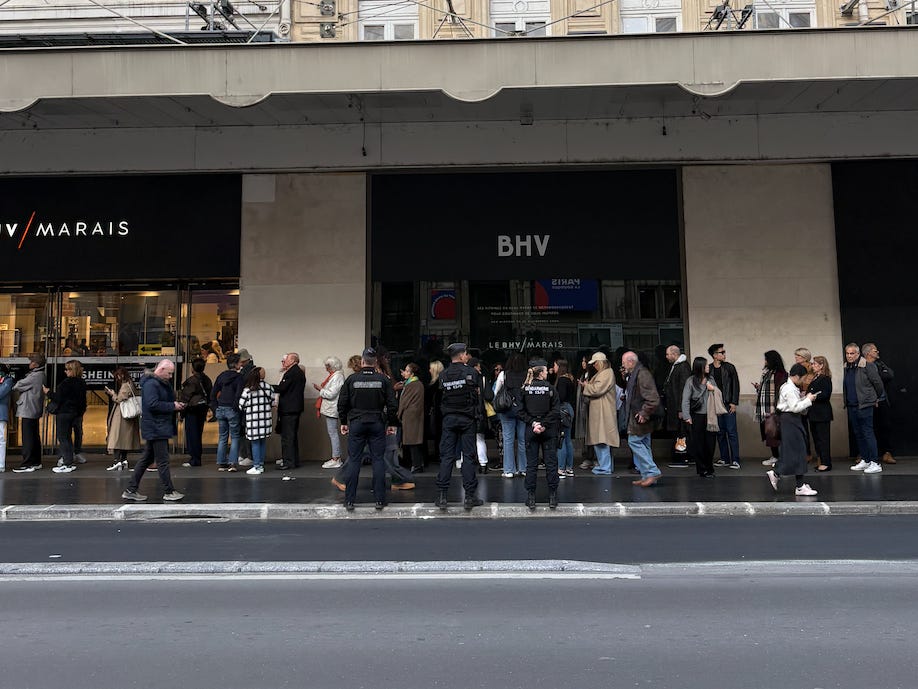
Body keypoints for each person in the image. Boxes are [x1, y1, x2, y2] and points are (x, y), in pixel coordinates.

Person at [337, 347, 398, 511]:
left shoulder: (352, 379)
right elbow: (392, 404)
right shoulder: (383, 380)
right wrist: (392, 423)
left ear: (363, 361)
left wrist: (343, 421)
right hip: (377, 423)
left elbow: (342, 403)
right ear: (375, 362)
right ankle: (379, 500)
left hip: (357, 423)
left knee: (354, 460)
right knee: (378, 460)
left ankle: (349, 500)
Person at [122, 359, 186, 501]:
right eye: (169, 373)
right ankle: (169, 491)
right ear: (161, 369)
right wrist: (172, 406)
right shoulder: (152, 384)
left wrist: (174, 405)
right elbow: (152, 404)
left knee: (147, 458)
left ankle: (131, 489)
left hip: (156, 426)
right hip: (157, 426)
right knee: (162, 460)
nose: (170, 376)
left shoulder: (155, 383)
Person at [434, 343, 485, 511]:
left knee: (447, 457)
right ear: (462, 355)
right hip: (467, 419)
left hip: (449, 419)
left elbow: (440, 399)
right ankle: (469, 497)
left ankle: (442, 496)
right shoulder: (472, 373)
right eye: (466, 354)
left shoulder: (443, 374)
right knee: (468, 457)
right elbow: (478, 398)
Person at [766, 363, 819, 496]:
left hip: (790, 420)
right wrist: (808, 399)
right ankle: (795, 483)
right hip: (790, 421)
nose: (803, 381)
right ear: (796, 376)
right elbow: (795, 407)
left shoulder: (789, 387)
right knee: (798, 451)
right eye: (803, 378)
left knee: (793, 452)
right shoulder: (789, 388)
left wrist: (804, 399)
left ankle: (785, 477)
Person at [518, 359, 561, 509]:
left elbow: (520, 411)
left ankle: (531, 497)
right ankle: (553, 497)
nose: (548, 372)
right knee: (551, 464)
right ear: (541, 372)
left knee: (531, 465)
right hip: (548, 430)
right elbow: (556, 410)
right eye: (546, 370)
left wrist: (533, 423)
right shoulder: (550, 388)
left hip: (531, 430)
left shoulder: (525, 388)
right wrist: (543, 424)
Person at [622, 351, 663, 487]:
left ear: (631, 362)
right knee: (644, 444)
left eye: (623, 362)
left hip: (640, 415)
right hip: (641, 415)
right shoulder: (637, 373)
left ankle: (652, 471)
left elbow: (653, 398)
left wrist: (644, 413)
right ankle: (647, 475)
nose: (622, 365)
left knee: (634, 441)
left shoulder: (642, 374)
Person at [844, 343, 885, 474]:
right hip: (852, 405)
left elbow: (878, 384)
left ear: (858, 354)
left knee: (867, 433)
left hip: (865, 405)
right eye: (847, 353)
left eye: (852, 353)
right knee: (858, 433)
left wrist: (874, 398)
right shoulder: (847, 367)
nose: (849, 356)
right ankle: (866, 459)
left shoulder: (867, 365)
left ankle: (875, 462)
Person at [579, 351, 620, 475]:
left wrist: (586, 386)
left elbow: (597, 389)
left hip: (603, 412)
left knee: (602, 440)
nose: (594, 365)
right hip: (600, 412)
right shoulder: (603, 373)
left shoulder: (607, 373)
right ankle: (605, 466)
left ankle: (605, 467)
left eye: (595, 363)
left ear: (601, 362)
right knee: (601, 440)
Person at [682, 357, 720, 479]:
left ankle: (709, 468)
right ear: (700, 367)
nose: (708, 367)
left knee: (710, 443)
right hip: (697, 415)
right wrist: (687, 416)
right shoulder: (691, 381)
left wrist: (713, 389)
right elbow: (686, 399)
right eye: (706, 365)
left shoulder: (711, 379)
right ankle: (702, 469)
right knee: (698, 443)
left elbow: (718, 394)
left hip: (710, 415)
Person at [47, 360, 88, 474]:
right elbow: (83, 401)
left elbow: (58, 398)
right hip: (74, 413)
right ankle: (69, 461)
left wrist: (48, 392)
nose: (65, 372)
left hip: (64, 413)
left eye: (67, 369)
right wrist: (80, 413)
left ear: (71, 370)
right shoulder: (81, 383)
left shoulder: (66, 383)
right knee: (68, 437)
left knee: (63, 437)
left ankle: (67, 463)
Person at [494, 352, 527, 478]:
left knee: (508, 440)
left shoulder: (504, 374)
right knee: (522, 440)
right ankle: (523, 468)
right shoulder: (527, 375)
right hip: (523, 411)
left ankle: (508, 470)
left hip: (507, 410)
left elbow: (496, 391)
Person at [708, 343, 741, 469]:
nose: (724, 354)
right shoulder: (709, 368)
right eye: (721, 352)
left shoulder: (729, 367)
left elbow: (735, 385)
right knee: (720, 432)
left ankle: (735, 459)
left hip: (728, 404)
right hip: (715, 405)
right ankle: (724, 458)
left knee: (731, 432)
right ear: (714, 355)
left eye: (724, 352)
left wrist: (734, 402)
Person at [12, 354, 46, 472]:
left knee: (28, 438)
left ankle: (28, 463)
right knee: (34, 436)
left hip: (29, 409)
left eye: (31, 362)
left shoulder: (35, 376)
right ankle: (36, 462)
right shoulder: (40, 375)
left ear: (36, 364)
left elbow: (18, 385)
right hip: (34, 409)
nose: (29, 364)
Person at [862, 343, 896, 464]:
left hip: (881, 400)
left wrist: (877, 375)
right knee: (867, 428)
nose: (877, 352)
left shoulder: (879, 364)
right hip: (867, 402)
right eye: (875, 351)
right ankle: (865, 454)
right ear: (868, 353)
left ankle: (887, 452)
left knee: (885, 426)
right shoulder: (861, 365)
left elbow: (889, 375)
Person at [238, 367, 275, 475]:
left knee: (255, 443)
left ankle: (256, 466)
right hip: (266, 420)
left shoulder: (248, 389)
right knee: (262, 442)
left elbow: (241, 405)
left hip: (253, 421)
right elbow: (273, 402)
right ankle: (261, 465)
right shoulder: (269, 387)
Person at [104, 367, 141, 471]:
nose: (117, 379)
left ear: (122, 375)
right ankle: (124, 460)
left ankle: (117, 461)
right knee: (125, 440)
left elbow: (119, 399)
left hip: (122, 416)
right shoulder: (130, 384)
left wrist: (112, 394)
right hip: (127, 416)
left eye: (117, 376)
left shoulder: (126, 385)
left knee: (116, 438)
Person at [755, 350, 787, 467]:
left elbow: (780, 391)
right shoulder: (767, 373)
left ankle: (780, 457)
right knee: (770, 434)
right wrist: (759, 388)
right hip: (765, 409)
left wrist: (777, 408)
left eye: (766, 359)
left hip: (775, 408)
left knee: (776, 434)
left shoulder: (780, 374)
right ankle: (775, 456)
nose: (765, 362)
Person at [179, 358, 212, 468]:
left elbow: (185, 398)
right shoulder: (207, 379)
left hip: (192, 410)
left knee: (192, 434)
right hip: (202, 409)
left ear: (193, 368)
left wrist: (181, 413)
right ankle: (197, 457)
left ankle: (194, 458)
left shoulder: (191, 381)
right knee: (198, 433)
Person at [275, 352, 306, 470]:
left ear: (293, 360)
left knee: (287, 437)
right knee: (292, 436)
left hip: (289, 409)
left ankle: (288, 462)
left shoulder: (291, 373)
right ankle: (293, 460)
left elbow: (282, 388)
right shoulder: (298, 372)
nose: (284, 361)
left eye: (287, 359)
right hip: (294, 408)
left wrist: (267, 387)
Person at [662, 345, 691, 469]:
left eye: (668, 354)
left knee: (681, 433)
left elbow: (683, 389)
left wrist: (681, 408)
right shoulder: (676, 366)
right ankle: (681, 456)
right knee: (678, 432)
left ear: (674, 354)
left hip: (678, 407)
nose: (666, 357)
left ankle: (682, 457)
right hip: (673, 406)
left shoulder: (682, 367)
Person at [211, 354, 241, 471]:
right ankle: (232, 463)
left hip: (221, 408)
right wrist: (236, 408)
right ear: (236, 364)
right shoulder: (239, 378)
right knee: (235, 436)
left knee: (222, 436)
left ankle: (222, 462)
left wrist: (215, 407)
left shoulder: (221, 376)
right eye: (239, 362)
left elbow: (213, 394)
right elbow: (238, 395)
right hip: (232, 409)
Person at [316, 356, 345, 470]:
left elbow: (331, 394)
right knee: (332, 433)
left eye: (327, 366)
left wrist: (320, 390)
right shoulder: (335, 376)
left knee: (333, 433)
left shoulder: (337, 376)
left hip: (332, 408)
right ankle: (336, 457)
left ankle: (336, 458)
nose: (326, 368)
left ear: (332, 366)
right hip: (331, 408)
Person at [397, 362, 426, 474]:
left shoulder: (413, 385)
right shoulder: (413, 384)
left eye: (407, 371)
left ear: (412, 373)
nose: (405, 373)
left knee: (413, 442)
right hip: (413, 416)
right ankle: (415, 464)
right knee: (412, 441)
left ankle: (416, 465)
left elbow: (404, 402)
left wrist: (398, 414)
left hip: (411, 416)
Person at [467, 357, 494, 474]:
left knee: (466, 438)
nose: (480, 368)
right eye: (478, 366)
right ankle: (483, 464)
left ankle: (466, 463)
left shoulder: (464, 378)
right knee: (480, 439)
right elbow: (489, 396)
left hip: (467, 411)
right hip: (479, 412)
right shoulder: (482, 379)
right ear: (475, 367)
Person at [808, 355, 833, 472]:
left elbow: (826, 394)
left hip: (822, 413)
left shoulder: (825, 378)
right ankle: (820, 460)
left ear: (821, 365)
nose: (812, 366)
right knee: (817, 439)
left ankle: (826, 462)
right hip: (814, 412)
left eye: (814, 364)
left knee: (823, 439)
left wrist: (813, 396)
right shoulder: (815, 377)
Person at [552, 358, 576, 478]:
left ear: (559, 367)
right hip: (569, 409)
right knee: (567, 439)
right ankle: (569, 468)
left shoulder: (561, 380)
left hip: (562, 409)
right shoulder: (570, 379)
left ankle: (561, 468)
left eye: (555, 365)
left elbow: (560, 397)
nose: (553, 368)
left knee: (561, 439)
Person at [235, 349, 256, 467]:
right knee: (246, 431)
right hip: (250, 406)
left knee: (245, 432)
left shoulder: (246, 372)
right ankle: (246, 455)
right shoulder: (252, 370)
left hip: (245, 406)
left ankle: (247, 455)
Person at [0, 364, 15, 472]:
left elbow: (1, 393)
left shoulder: (8, 381)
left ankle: (1, 464)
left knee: (1, 439)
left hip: (1, 413)